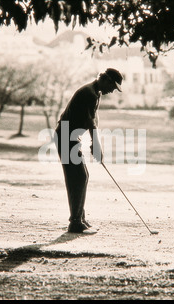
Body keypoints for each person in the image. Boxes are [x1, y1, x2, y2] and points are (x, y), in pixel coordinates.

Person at [55, 68, 123, 234]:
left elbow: (94, 119)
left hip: (70, 137)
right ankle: (75, 222)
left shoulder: (95, 92)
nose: (113, 90)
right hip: (65, 137)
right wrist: (96, 146)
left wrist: (95, 144)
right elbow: (90, 124)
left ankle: (80, 218)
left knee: (81, 176)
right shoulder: (89, 93)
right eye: (113, 86)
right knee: (78, 176)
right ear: (105, 79)